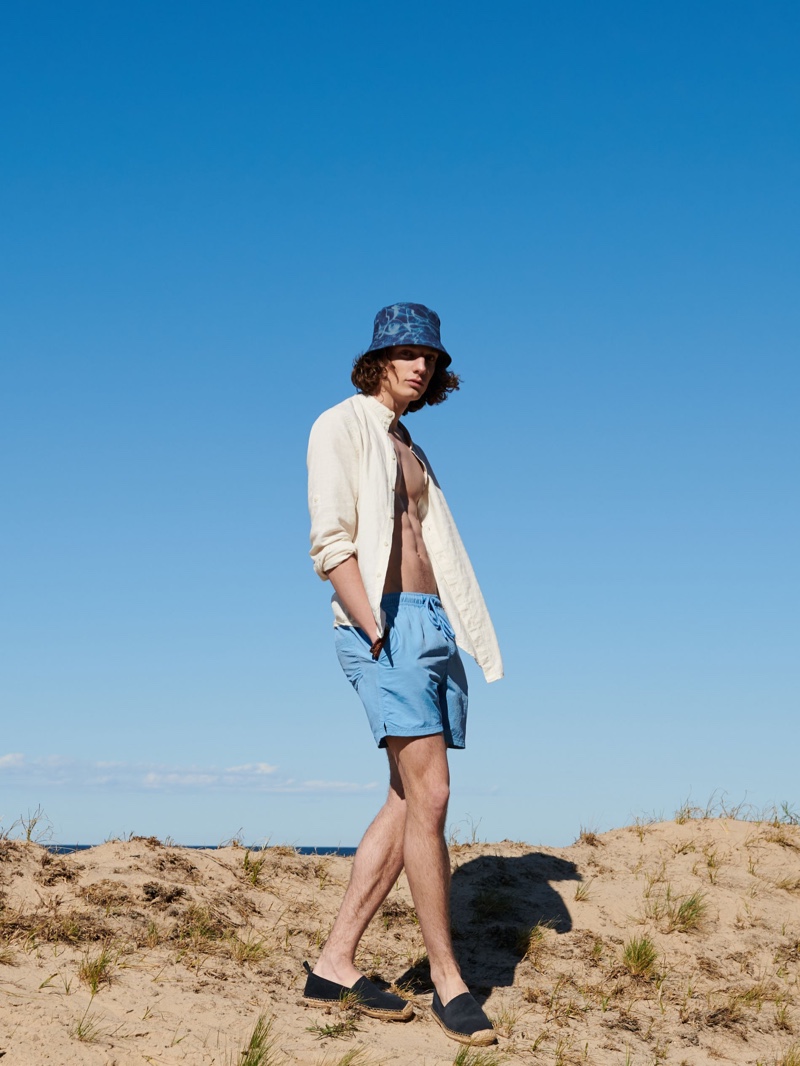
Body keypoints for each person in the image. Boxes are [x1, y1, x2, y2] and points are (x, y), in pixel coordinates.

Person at [304, 302, 503, 1047]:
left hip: (431, 625)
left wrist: (451, 631)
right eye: (407, 352)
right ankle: (450, 980)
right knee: (434, 792)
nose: (422, 364)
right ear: (379, 359)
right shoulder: (341, 424)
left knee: (406, 795)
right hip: (381, 623)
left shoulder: (412, 446)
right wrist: (373, 623)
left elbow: (435, 550)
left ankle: (334, 964)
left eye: (431, 356)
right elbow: (329, 539)